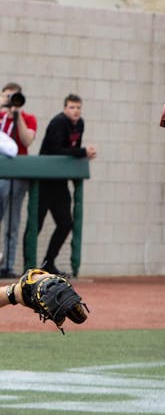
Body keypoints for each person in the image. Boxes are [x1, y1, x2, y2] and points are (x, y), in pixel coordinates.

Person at [34, 94, 96, 277]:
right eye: (71, 107)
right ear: (64, 108)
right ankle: (27, 265)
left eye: (78, 107)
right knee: (36, 224)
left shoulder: (80, 124)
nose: (75, 111)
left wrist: (84, 154)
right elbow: (57, 150)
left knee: (65, 223)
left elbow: (72, 151)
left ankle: (48, 263)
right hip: (44, 181)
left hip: (60, 183)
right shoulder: (58, 122)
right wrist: (82, 152)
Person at [0, 82, 38, 279]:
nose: (10, 100)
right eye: (7, 96)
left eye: (14, 97)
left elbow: (27, 140)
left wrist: (17, 115)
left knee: (12, 223)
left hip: (18, 176)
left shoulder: (28, 119)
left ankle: (7, 265)